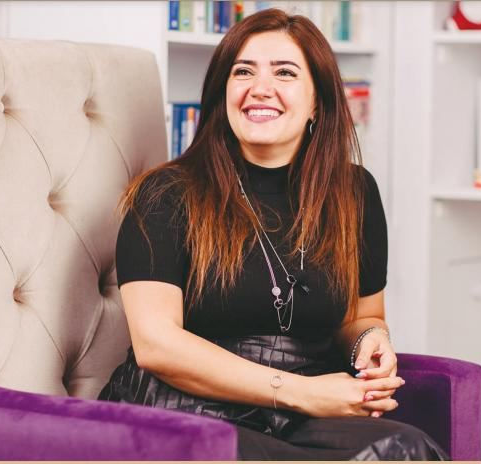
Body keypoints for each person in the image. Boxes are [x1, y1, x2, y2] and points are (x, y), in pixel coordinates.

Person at [98, 8, 448, 461]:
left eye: (284, 72)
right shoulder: (166, 193)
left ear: (318, 101)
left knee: (404, 448)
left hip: (299, 417)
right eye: (243, 71)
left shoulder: (355, 192)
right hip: (184, 409)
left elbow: (361, 317)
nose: (260, 87)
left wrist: (369, 341)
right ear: (223, 93)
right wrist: (302, 393)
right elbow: (157, 346)